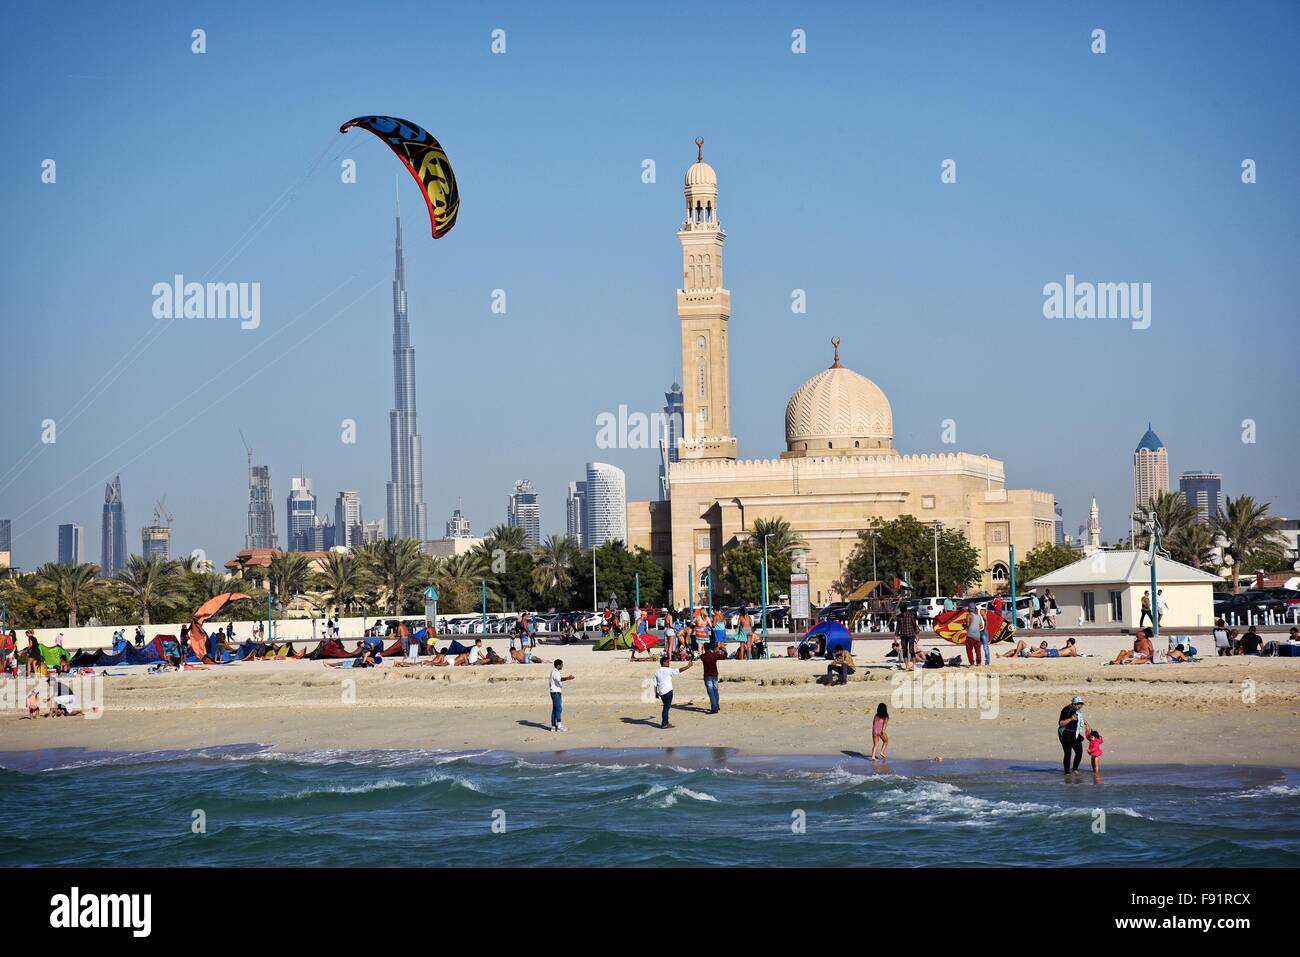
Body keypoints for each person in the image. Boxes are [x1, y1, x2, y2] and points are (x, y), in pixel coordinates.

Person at [653, 654, 693, 729]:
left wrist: (655, 693)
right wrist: (688, 666)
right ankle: (664, 723)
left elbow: (654, 684)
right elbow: (679, 670)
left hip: (661, 692)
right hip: (668, 692)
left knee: (665, 707)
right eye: (667, 662)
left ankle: (665, 722)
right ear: (664, 663)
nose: (669, 663)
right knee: (666, 708)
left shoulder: (657, 671)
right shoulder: (668, 670)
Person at [1058, 695, 1088, 775]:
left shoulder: (1077, 710)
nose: (1081, 706)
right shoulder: (1066, 710)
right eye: (1079, 704)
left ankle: (1075, 770)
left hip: (1074, 733)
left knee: (1079, 752)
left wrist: (1086, 724)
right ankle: (1067, 773)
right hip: (1065, 733)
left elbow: (1080, 718)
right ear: (1074, 704)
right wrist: (1071, 719)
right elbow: (1061, 723)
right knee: (1068, 753)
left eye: (1081, 704)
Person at [549, 659, 573, 731]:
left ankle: (553, 726)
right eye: (562, 665)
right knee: (559, 708)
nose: (562, 666)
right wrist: (568, 678)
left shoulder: (554, 671)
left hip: (554, 692)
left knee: (555, 709)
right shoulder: (555, 672)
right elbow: (559, 679)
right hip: (556, 692)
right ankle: (559, 726)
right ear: (558, 665)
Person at [699, 641, 724, 713]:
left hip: (707, 675)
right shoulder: (714, 655)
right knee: (715, 691)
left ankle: (715, 707)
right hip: (714, 675)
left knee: (711, 692)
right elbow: (724, 656)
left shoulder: (703, 656)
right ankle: (717, 705)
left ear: (704, 648)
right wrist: (723, 650)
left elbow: (701, 656)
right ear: (710, 648)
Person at [896, 602, 919, 672]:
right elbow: (898, 627)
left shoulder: (911, 615)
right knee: (904, 651)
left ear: (906, 610)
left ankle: (914, 665)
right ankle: (907, 666)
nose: (903, 614)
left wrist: (917, 635)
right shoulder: (899, 617)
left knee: (911, 650)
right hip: (903, 635)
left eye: (904, 612)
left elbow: (915, 625)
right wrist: (896, 636)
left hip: (911, 635)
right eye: (902, 612)